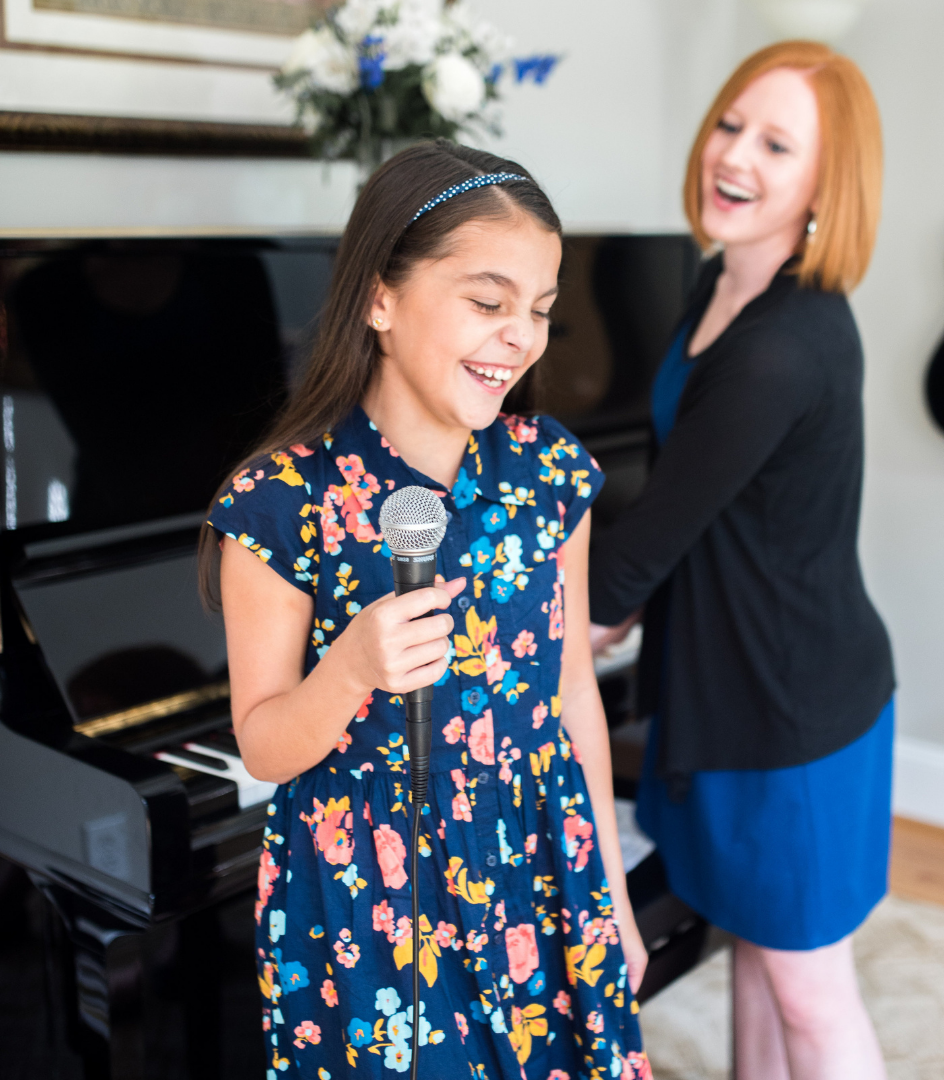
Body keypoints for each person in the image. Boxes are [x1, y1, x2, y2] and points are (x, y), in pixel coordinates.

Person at [202, 141, 650, 1080]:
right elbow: (265, 743)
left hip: (540, 872)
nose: (519, 337)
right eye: (487, 303)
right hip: (370, 904)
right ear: (379, 298)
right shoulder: (280, 503)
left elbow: (573, 693)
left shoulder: (549, 474)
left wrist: (607, 892)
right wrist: (352, 669)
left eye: (539, 311)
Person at [588, 42, 894, 1080]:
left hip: (788, 712)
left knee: (812, 994)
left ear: (824, 183)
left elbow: (638, 555)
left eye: (777, 143)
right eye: (731, 125)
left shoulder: (782, 343)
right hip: (725, 683)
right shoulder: (724, 282)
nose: (737, 157)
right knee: (755, 959)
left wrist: (508, 636)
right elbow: (676, 504)